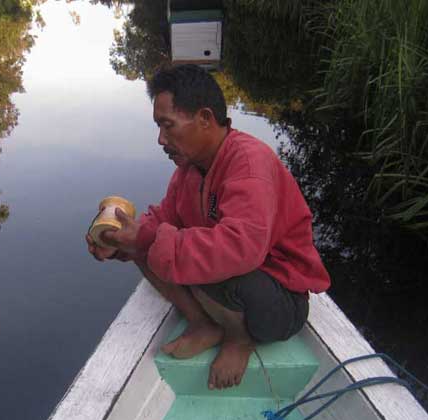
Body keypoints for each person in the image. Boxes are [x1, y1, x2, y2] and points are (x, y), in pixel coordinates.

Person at [86, 64, 330, 390]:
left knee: (183, 251)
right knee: (149, 245)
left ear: (204, 118)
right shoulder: (191, 169)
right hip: (243, 283)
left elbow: (241, 249)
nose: (161, 139)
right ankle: (204, 324)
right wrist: (119, 243)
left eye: (168, 125)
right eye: (158, 127)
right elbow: (163, 219)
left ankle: (239, 339)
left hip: (279, 302)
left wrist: (148, 237)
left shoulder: (249, 164)